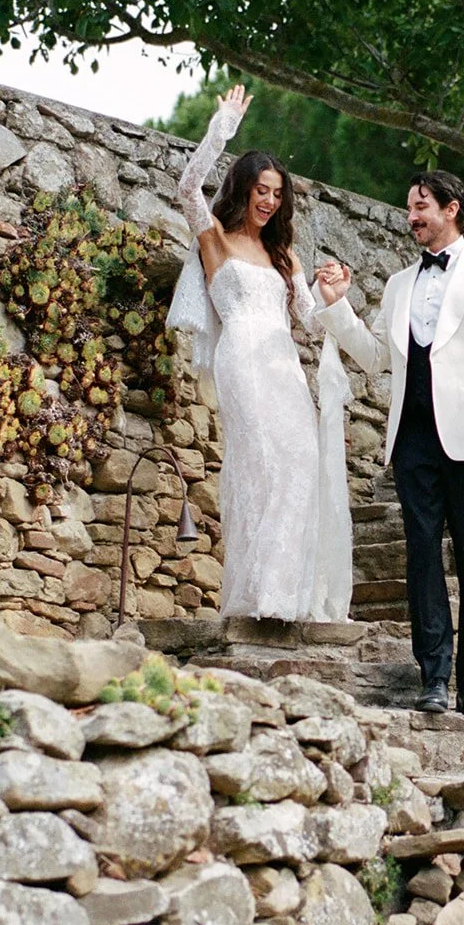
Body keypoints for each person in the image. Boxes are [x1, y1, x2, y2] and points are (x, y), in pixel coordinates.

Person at [316, 170, 464, 716]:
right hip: (413, 438)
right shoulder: (399, 284)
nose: (412, 216)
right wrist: (337, 305)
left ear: (452, 209)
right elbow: (376, 357)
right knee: (422, 556)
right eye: (408, 206)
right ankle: (434, 675)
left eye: (421, 205)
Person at [166, 85, 351, 623]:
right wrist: (219, 129)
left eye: (277, 193)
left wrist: (331, 295)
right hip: (242, 362)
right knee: (263, 466)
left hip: (284, 368)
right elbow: (184, 187)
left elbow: (308, 321)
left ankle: (283, 595)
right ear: (243, 188)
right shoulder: (215, 240)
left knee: (300, 465)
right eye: (262, 190)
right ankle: (258, 597)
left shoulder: (283, 253)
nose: (270, 201)